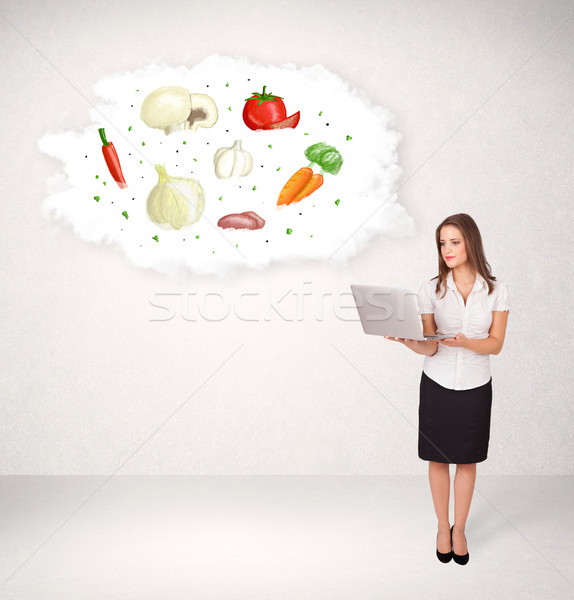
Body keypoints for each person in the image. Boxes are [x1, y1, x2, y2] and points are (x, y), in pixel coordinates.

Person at [384, 213, 510, 565]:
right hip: (437, 384)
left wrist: (467, 342)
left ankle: (460, 529)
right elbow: (431, 345)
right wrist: (409, 342)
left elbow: (496, 344)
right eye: (442, 243)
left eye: (454, 241)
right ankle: (443, 527)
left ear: (471, 241)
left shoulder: (497, 290)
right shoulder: (431, 289)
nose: (447, 249)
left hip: (475, 384)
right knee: (438, 458)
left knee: (467, 459)